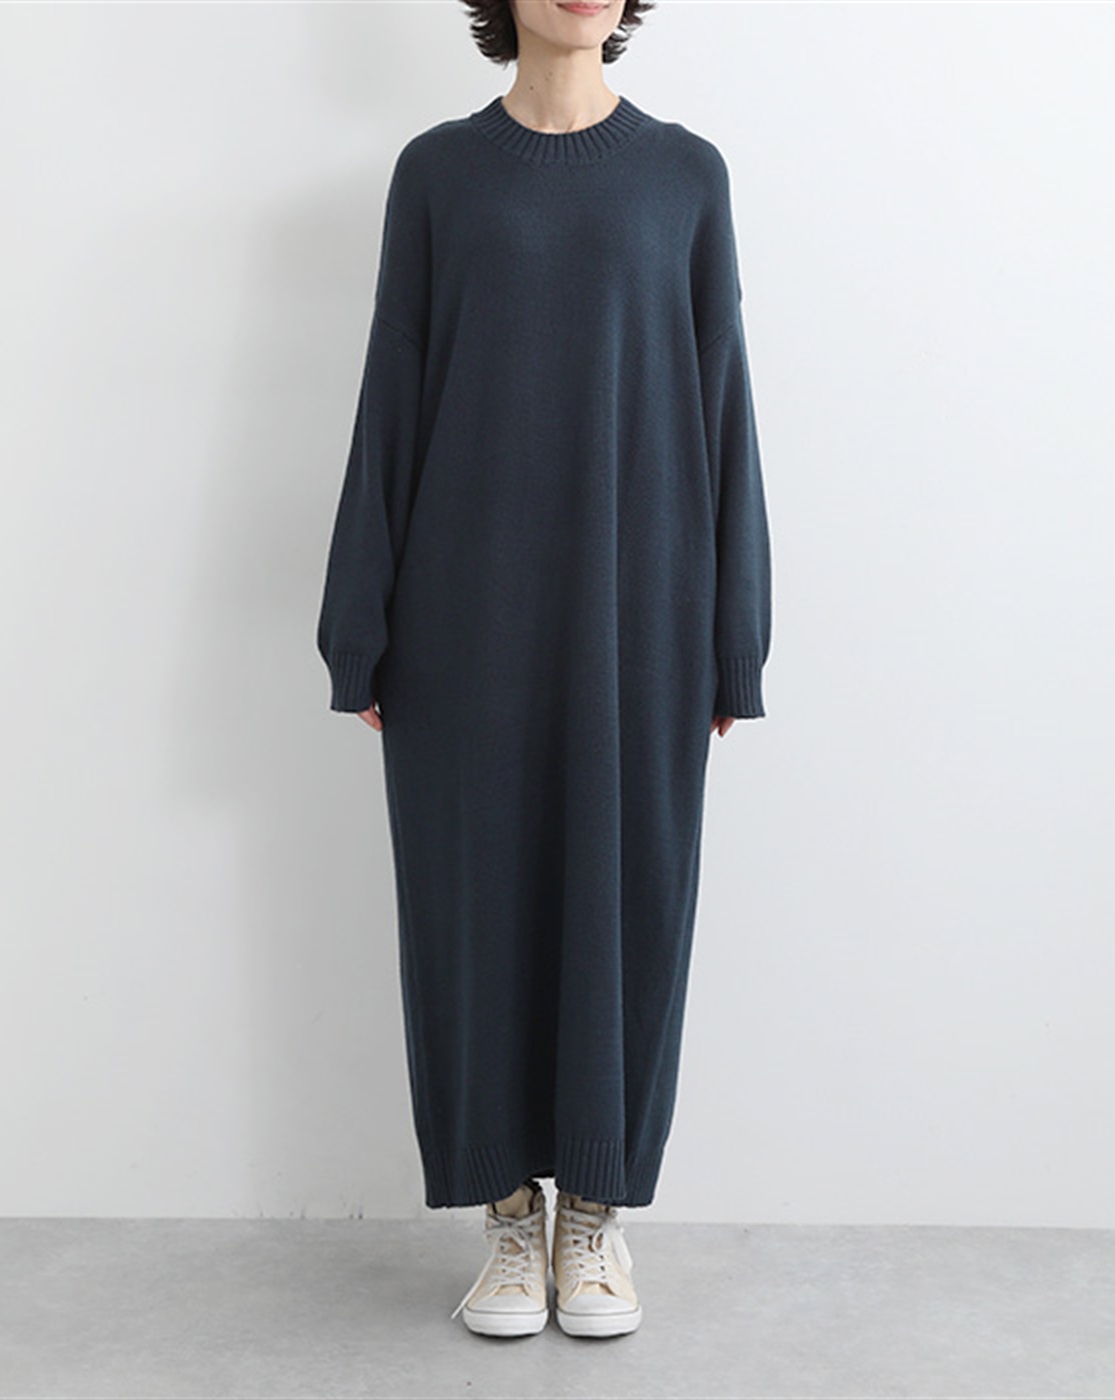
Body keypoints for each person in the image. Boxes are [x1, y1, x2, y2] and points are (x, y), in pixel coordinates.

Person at [316, 0, 772, 1340]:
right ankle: (511, 1216)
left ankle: (597, 1220)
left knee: (629, 903)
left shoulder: (686, 176)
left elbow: (724, 396)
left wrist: (733, 634)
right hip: (463, 612)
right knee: (473, 901)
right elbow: (393, 388)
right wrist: (360, 620)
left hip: (641, 608)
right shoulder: (438, 175)